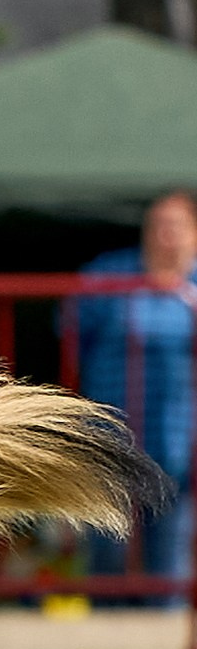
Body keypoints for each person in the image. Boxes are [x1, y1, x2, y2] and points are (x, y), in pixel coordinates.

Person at [72, 189, 197, 588]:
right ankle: (106, 618)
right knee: (108, 543)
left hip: (181, 440)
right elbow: (73, 332)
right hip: (115, 430)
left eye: (175, 226)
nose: (165, 235)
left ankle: (166, 617)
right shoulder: (109, 275)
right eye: (157, 225)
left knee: (172, 551)